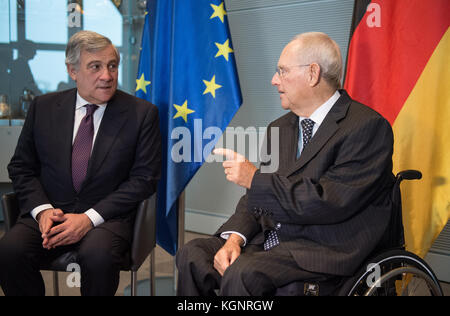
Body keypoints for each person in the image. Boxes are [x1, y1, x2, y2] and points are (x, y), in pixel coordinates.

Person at [176, 32, 395, 296]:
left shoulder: (366, 127)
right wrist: (235, 238)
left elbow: (329, 202)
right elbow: (256, 199)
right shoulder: (281, 128)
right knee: (193, 254)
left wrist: (255, 179)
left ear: (313, 73)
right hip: (274, 240)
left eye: (282, 71)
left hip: (322, 246)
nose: (274, 80)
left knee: (244, 273)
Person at [0, 31, 161, 296]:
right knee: (8, 252)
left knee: (98, 256)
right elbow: (21, 167)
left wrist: (88, 219)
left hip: (106, 218)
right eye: (95, 67)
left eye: (112, 66)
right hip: (50, 213)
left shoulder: (142, 114)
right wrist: (42, 211)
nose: (107, 75)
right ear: (72, 71)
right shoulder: (43, 107)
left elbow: (144, 180)